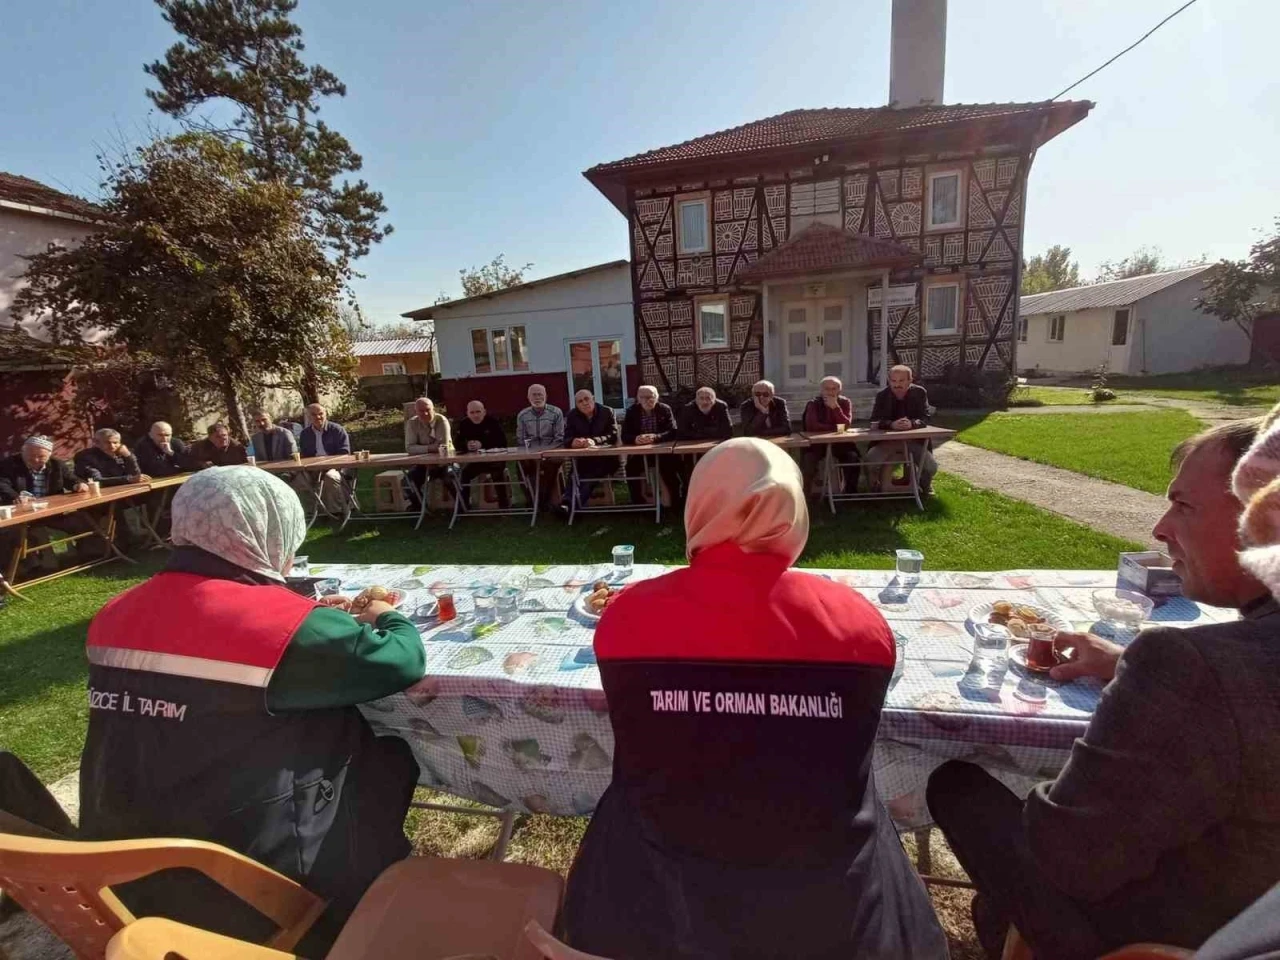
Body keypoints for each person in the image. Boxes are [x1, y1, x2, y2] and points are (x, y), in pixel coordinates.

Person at [561, 438, 946, 958]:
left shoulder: (627, 618)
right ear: (793, 511)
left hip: (654, 906)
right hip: (833, 910)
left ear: (700, 506)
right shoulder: (859, 623)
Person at [926, 417, 1280, 960]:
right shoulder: (1217, 667)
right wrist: (1124, 666)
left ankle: (1008, 929)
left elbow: (1064, 857)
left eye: (1183, 506)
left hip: (1158, 936)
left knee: (954, 784)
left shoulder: (1188, 664)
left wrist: (1148, 678)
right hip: (1246, 904)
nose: (1161, 529)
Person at [78, 466, 426, 956]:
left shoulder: (115, 612)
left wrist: (293, 608)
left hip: (122, 856)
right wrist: (384, 614)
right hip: (235, 875)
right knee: (389, 756)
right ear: (266, 529)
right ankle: (352, 908)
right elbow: (400, 660)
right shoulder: (284, 629)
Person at [865, 365, 937, 495]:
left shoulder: (919, 392)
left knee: (931, 467)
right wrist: (891, 424)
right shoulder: (882, 395)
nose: (897, 385)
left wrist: (912, 423)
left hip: (913, 440)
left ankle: (924, 487)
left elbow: (925, 417)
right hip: (886, 441)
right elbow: (874, 420)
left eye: (901, 381)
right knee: (870, 461)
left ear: (910, 380)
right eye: (893, 381)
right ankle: (875, 487)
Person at [620, 385, 681, 509]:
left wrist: (655, 437)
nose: (647, 400)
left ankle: (674, 503)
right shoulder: (632, 411)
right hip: (641, 452)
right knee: (631, 468)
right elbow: (625, 435)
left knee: (670, 468)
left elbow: (673, 431)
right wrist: (635, 439)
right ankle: (638, 502)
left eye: (650, 397)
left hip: (663, 451)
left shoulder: (664, 409)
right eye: (643, 397)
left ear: (657, 397)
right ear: (638, 398)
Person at [801, 376, 858, 500]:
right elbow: (812, 426)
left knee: (852, 457)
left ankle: (850, 494)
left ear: (839, 390)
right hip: (817, 444)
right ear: (821, 390)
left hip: (839, 443)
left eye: (834, 388)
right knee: (808, 459)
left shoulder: (845, 402)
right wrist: (835, 427)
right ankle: (806, 495)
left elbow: (845, 425)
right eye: (827, 389)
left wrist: (835, 408)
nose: (831, 392)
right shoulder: (813, 404)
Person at [674, 386, 734, 503]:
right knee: (687, 465)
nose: (705, 402)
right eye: (701, 398)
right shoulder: (688, 409)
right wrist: (711, 432)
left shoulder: (721, 406)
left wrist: (699, 432)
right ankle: (691, 496)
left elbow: (728, 431)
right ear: (696, 400)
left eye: (708, 398)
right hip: (692, 450)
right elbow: (681, 433)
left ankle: (721, 496)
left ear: (714, 399)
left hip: (716, 448)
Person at [562, 389, 619, 510]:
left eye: (587, 399)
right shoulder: (572, 415)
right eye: (580, 401)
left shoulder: (607, 411)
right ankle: (567, 502)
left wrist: (595, 441)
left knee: (588, 476)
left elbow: (613, 435)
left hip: (606, 459)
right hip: (583, 458)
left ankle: (572, 506)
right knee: (574, 474)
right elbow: (566, 438)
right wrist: (573, 442)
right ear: (576, 404)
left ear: (593, 398)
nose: (584, 403)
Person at [453, 400, 510, 510]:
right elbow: (457, 444)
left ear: (484, 412)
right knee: (464, 474)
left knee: (497, 474)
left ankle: (504, 506)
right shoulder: (464, 423)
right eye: (472, 412)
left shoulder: (493, 422)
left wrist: (482, 444)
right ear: (467, 413)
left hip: (495, 460)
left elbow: (503, 442)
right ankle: (463, 506)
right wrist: (467, 445)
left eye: (478, 412)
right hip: (478, 461)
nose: (475, 415)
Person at [516, 383, 565, 509]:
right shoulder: (522, 415)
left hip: (552, 452)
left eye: (540, 394)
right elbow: (521, 440)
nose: (537, 398)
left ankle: (540, 501)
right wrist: (532, 453)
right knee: (521, 465)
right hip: (531, 452)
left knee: (550, 463)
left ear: (546, 396)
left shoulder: (556, 412)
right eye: (534, 395)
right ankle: (531, 498)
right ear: (528, 397)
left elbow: (559, 438)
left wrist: (545, 453)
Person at [0, 435, 91, 502]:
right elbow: (3, 485)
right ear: (22, 452)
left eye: (41, 456)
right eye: (31, 455)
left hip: (51, 508)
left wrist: (78, 484)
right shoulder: (9, 464)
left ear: (49, 455)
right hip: (21, 509)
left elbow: (71, 479)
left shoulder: (57, 464)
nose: (35, 459)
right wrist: (15, 497)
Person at [404, 396, 454, 508]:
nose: (425, 413)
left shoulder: (441, 421)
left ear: (433, 409)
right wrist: (431, 447)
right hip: (423, 465)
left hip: (445, 463)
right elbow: (409, 448)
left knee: (451, 478)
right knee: (407, 482)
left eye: (428, 410)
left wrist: (420, 448)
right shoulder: (412, 423)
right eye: (421, 411)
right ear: (416, 411)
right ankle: (421, 508)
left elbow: (443, 446)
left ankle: (462, 507)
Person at [74, 428, 148, 488]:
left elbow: (136, 476)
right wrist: (128, 479)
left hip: (124, 491)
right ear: (96, 443)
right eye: (107, 442)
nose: (112, 446)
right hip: (98, 497)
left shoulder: (123, 453)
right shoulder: (86, 457)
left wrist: (129, 457)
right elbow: (97, 481)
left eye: (115, 443)